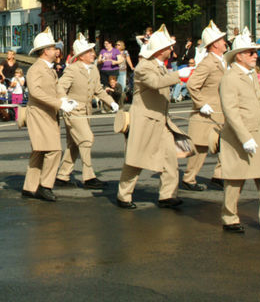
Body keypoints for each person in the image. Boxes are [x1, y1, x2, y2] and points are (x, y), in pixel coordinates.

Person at [218, 28, 260, 233]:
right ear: (239, 55)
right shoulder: (230, 78)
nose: (255, 55)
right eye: (251, 52)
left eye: (255, 52)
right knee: (235, 178)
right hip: (241, 136)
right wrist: (245, 137)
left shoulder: (251, 74)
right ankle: (229, 217)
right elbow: (231, 111)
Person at [116, 25, 191, 210]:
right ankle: (123, 195)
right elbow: (156, 83)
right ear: (160, 51)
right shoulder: (144, 67)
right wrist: (178, 75)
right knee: (136, 160)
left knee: (170, 158)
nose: (171, 50)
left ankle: (167, 195)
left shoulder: (159, 66)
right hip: (145, 120)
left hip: (161, 120)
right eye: (168, 47)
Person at [55, 34, 118, 189]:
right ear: (81, 56)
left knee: (74, 144)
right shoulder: (72, 69)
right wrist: (64, 100)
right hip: (74, 110)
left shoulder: (94, 69)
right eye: (90, 52)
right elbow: (60, 86)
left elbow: (98, 90)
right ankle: (89, 177)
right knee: (86, 139)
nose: (93, 54)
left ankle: (62, 176)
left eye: (92, 51)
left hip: (86, 110)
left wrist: (111, 102)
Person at [22, 28, 76, 202]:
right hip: (39, 114)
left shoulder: (50, 69)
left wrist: (65, 100)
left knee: (39, 151)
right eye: (53, 48)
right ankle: (45, 186)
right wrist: (59, 103)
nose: (56, 51)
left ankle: (30, 187)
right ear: (45, 51)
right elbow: (36, 93)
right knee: (54, 150)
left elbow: (57, 88)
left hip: (47, 114)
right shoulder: (36, 69)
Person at [182, 21, 227, 192]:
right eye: (222, 39)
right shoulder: (208, 63)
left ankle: (219, 176)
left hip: (220, 112)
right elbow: (192, 84)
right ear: (215, 44)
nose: (225, 42)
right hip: (207, 114)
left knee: (226, 144)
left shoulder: (222, 60)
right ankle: (189, 178)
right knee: (200, 148)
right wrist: (201, 104)